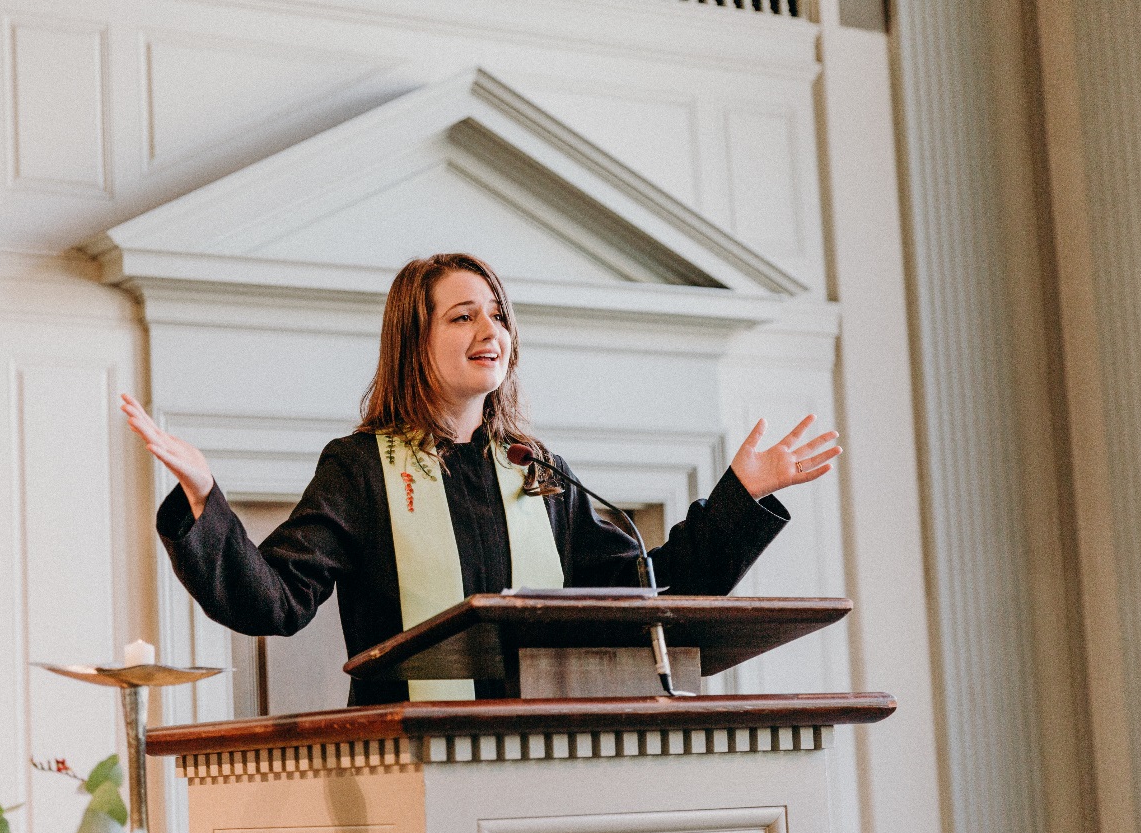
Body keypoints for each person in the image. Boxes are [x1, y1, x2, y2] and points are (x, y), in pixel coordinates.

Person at [121, 253, 841, 705]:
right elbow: (273, 600)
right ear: (414, 339)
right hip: (409, 762)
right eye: (462, 315)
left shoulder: (537, 473)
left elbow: (648, 592)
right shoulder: (363, 467)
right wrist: (203, 499)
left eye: (497, 313)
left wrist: (740, 496)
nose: (489, 329)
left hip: (538, 757)